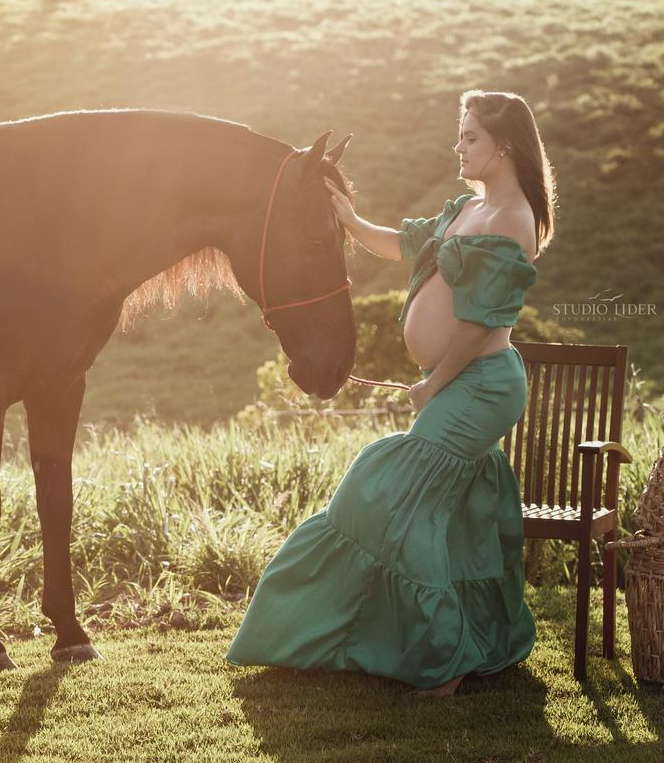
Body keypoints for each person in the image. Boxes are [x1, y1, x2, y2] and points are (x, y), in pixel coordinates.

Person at [226, 90, 555, 696]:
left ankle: (442, 660)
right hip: (464, 384)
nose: (458, 146)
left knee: (387, 497)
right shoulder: (468, 209)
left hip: (479, 386)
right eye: (459, 135)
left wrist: (434, 381)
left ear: (504, 145)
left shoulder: (512, 218)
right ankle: (461, 641)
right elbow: (400, 244)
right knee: (441, 518)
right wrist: (349, 221)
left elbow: (482, 321)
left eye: (470, 137)